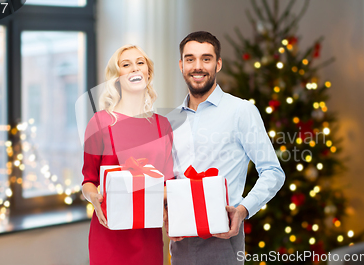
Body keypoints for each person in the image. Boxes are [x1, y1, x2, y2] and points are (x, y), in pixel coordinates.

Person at [166, 31, 285, 265]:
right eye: (190, 59)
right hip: (180, 243)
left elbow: (273, 171)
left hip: (223, 238)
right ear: (181, 65)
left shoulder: (241, 111)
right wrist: (166, 212)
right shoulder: (170, 121)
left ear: (218, 64)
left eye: (206, 59)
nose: (197, 66)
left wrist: (242, 210)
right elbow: (167, 177)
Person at [82, 44, 174, 265]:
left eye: (140, 63)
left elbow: (169, 182)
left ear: (148, 73)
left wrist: (163, 202)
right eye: (126, 64)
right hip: (109, 232)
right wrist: (94, 198)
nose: (134, 68)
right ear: (117, 76)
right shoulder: (100, 122)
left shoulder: (163, 126)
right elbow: (88, 181)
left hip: (148, 234)